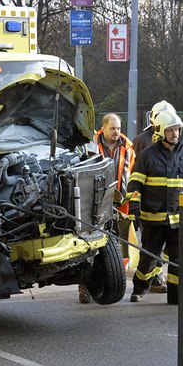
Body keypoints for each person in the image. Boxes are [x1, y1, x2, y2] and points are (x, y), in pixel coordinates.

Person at [127, 110, 183, 304]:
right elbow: (134, 186)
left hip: (178, 220)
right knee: (149, 257)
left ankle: (175, 296)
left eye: (177, 129)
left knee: (177, 259)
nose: (175, 133)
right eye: (170, 130)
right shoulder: (146, 156)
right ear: (160, 131)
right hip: (153, 219)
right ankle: (140, 288)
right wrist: (134, 211)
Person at [79, 113, 135, 304]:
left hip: (120, 204)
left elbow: (132, 174)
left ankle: (111, 282)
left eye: (119, 128)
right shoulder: (91, 146)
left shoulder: (128, 148)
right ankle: (84, 287)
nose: (117, 132)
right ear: (103, 129)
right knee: (90, 246)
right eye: (113, 128)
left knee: (115, 247)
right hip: (94, 205)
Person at [130, 100, 177, 294]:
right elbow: (137, 175)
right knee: (151, 250)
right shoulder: (143, 141)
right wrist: (135, 205)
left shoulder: (177, 146)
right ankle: (146, 282)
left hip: (172, 212)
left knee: (169, 252)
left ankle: (158, 278)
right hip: (152, 209)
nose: (174, 133)